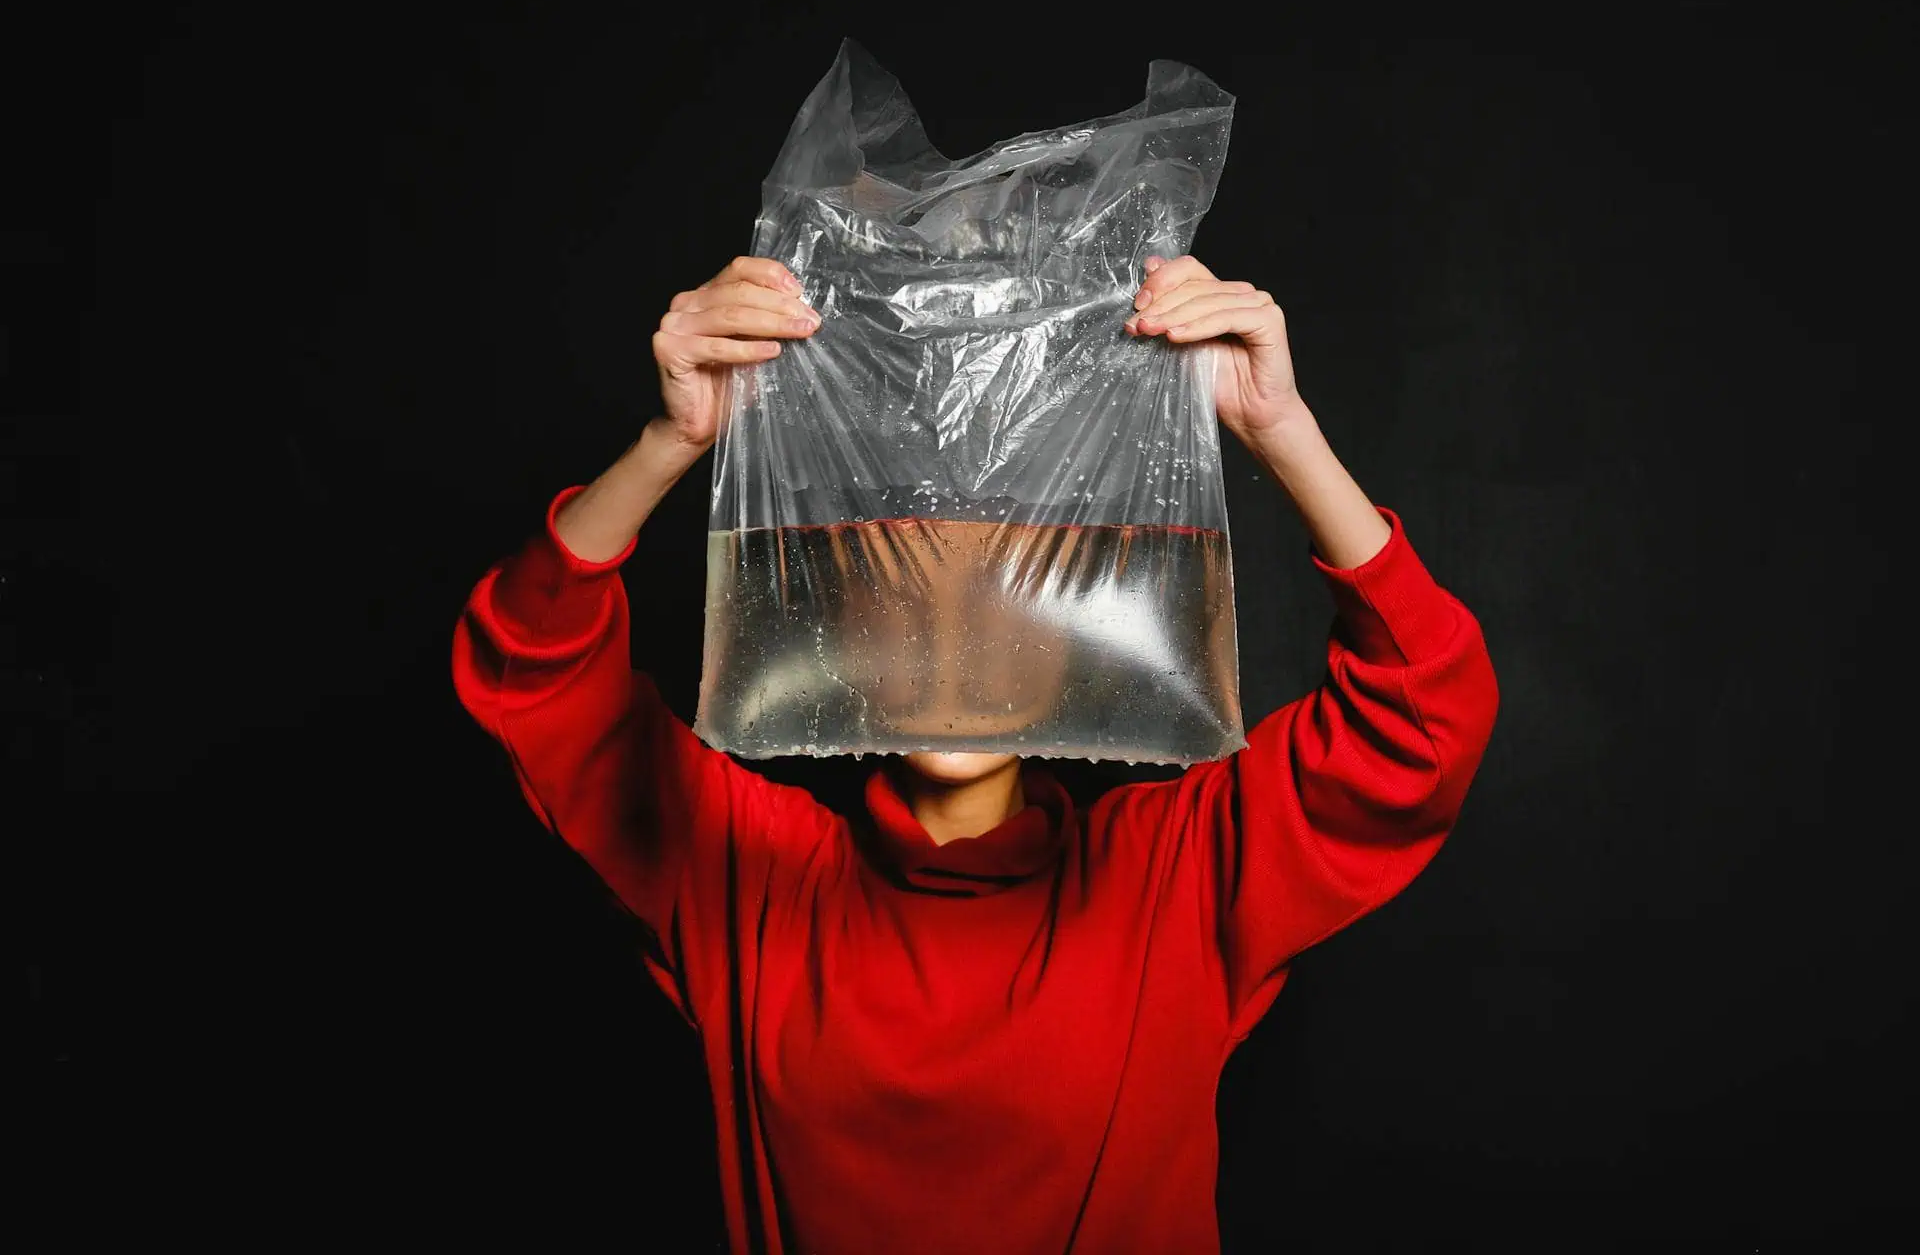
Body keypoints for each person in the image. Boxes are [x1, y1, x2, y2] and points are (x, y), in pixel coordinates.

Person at [453, 253, 1499, 1253]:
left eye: (1000, 619)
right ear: (848, 650)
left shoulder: (1169, 877)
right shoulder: (751, 877)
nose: (952, 659)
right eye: (910, 616)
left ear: (1072, 654)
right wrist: (670, 441)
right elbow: (533, 678)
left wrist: (1282, 431)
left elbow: (1424, 722)